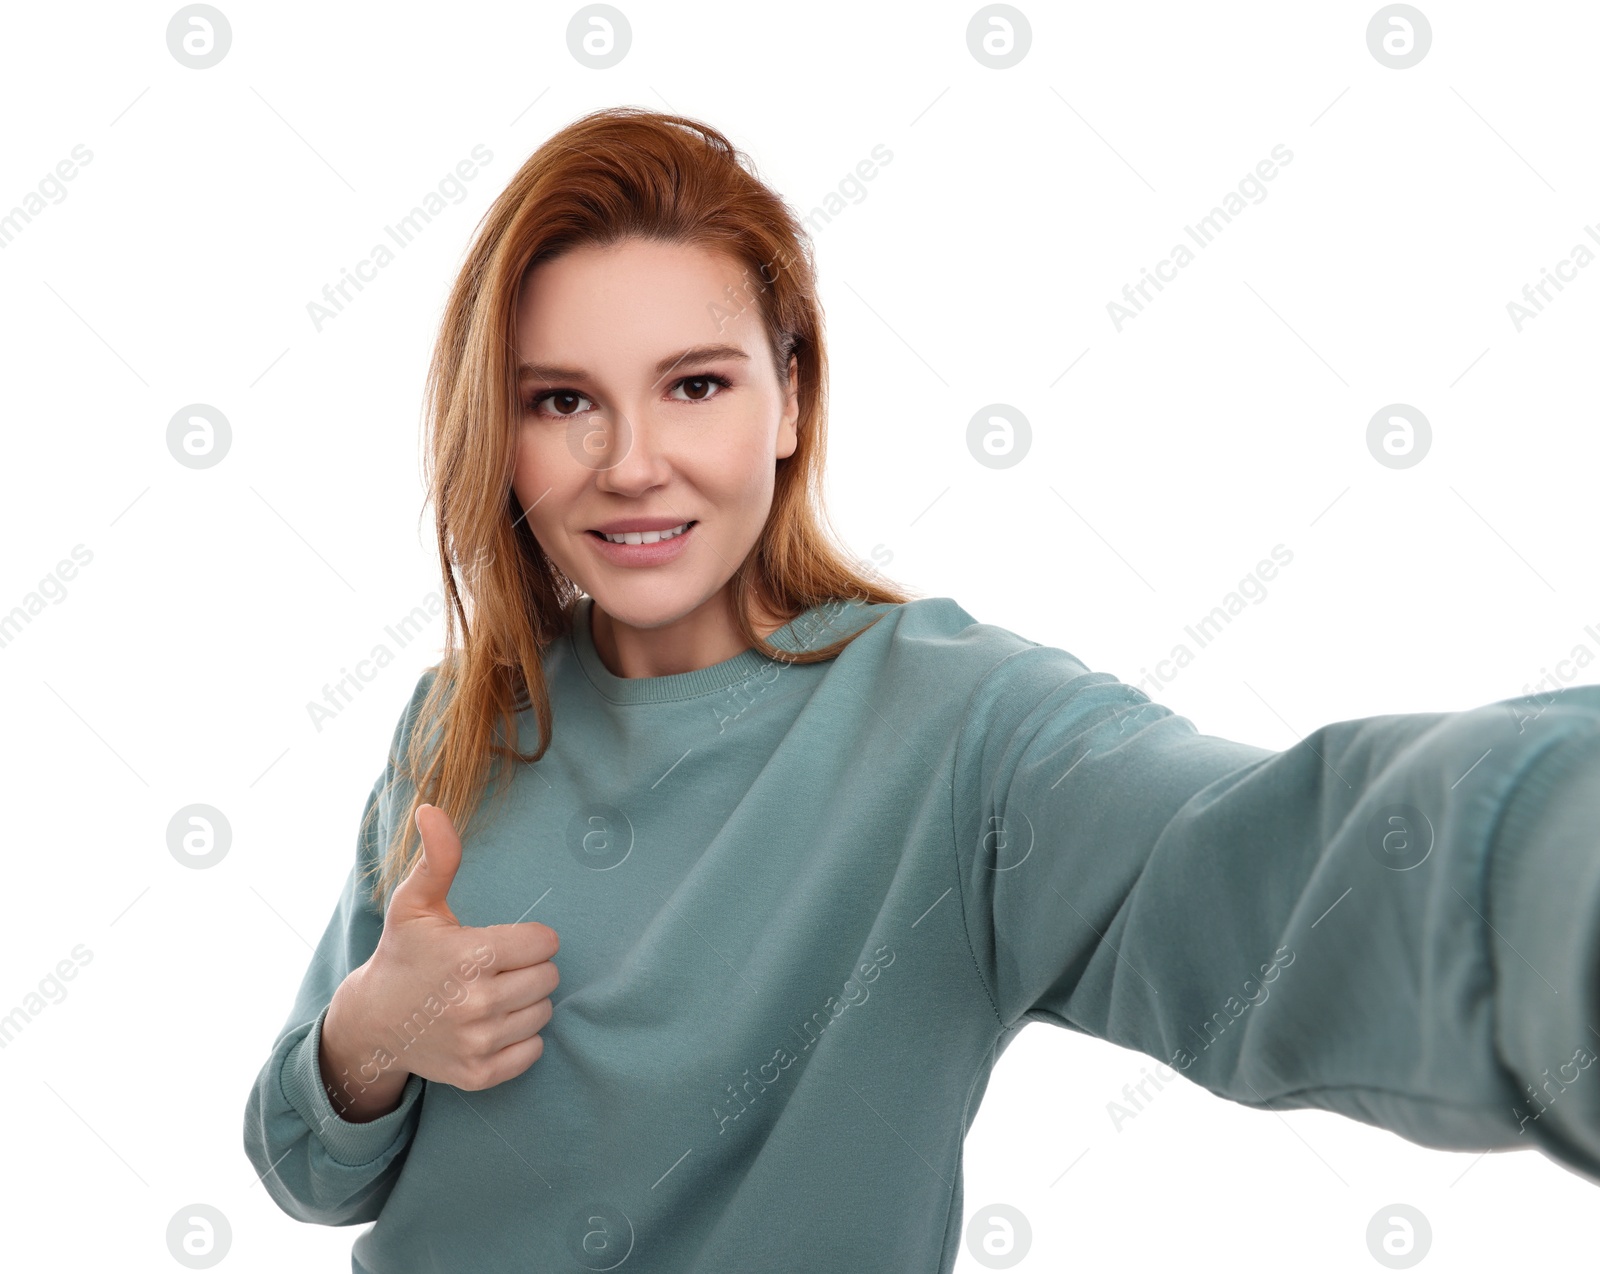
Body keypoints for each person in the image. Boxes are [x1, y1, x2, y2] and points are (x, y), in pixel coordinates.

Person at [243, 106, 1600, 1273]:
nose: (632, 461)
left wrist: (1552, 866)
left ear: (789, 399)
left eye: (695, 384)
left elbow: (1266, 867)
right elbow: (309, 1170)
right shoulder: (454, 721)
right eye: (562, 402)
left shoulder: (959, 731)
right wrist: (367, 1036)